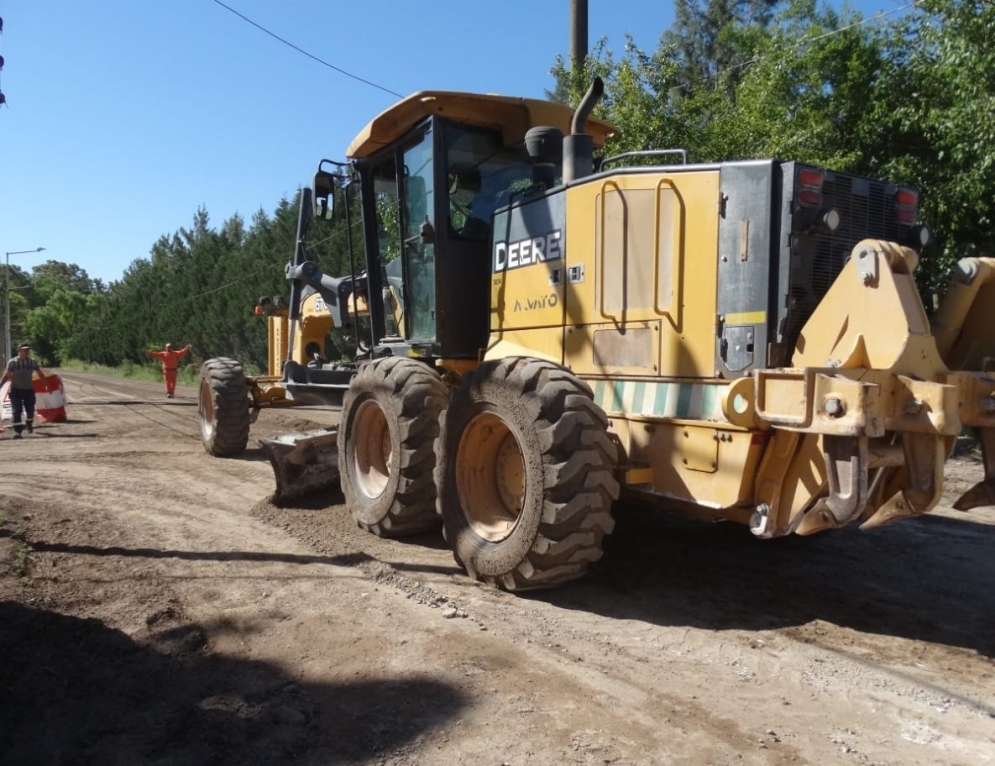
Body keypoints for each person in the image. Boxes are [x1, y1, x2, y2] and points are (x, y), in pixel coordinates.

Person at [0, 343, 51, 439]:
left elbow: (40, 373)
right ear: (19, 350)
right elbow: (6, 376)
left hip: (28, 389)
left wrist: (47, 385)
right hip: (16, 390)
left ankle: (29, 423)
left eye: (28, 350)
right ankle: (17, 431)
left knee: (30, 410)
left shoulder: (32, 362)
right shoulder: (12, 362)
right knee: (16, 411)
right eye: (24, 350)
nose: (26, 351)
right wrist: (0, 386)